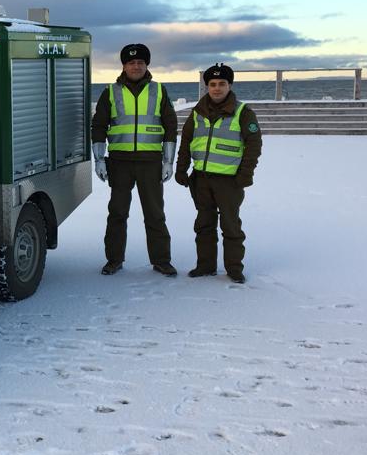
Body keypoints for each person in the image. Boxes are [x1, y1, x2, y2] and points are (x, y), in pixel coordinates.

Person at [91, 43, 178, 276]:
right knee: (117, 213)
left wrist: (168, 161)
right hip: (120, 163)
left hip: (150, 163)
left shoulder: (159, 91)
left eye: (140, 62)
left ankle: (161, 261)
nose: (136, 66)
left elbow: (170, 125)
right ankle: (114, 260)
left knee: (155, 214)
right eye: (131, 62)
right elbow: (98, 125)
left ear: (146, 65)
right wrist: (99, 159)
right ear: (124, 65)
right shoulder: (110, 91)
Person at [175, 63, 262, 284]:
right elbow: (186, 142)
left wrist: (245, 174)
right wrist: (181, 169)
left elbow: (254, 145)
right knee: (204, 224)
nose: (217, 88)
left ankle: (234, 269)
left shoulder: (243, 112)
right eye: (212, 84)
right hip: (201, 179)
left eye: (222, 84)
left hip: (229, 181)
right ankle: (205, 266)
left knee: (230, 226)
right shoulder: (197, 113)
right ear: (206, 87)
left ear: (229, 85)